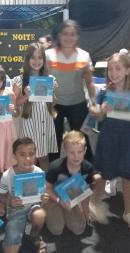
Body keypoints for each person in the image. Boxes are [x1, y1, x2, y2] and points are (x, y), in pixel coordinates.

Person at [89, 53, 130, 231]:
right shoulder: (105, 92)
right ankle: (93, 204)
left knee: (128, 177)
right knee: (101, 175)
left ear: (128, 70)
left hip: (127, 140)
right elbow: (97, 118)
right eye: (110, 69)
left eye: (118, 69)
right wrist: (99, 111)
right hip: (108, 139)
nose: (113, 73)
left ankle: (128, 212)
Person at [45, 20, 96, 161]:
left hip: (77, 103)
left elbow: (89, 82)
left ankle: (88, 174)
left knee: (82, 139)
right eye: (65, 34)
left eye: (72, 34)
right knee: (53, 141)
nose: (69, 37)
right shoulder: (48, 55)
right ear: (59, 35)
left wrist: (93, 103)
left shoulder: (84, 56)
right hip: (54, 105)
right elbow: (41, 80)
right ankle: (53, 175)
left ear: (77, 36)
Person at [44, 131, 103, 236]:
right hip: (54, 198)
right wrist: (59, 201)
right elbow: (47, 188)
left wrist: (86, 212)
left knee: (79, 229)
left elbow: (86, 192)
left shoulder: (87, 168)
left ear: (85, 150)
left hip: (71, 198)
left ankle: (67, 213)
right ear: (65, 151)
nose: (76, 157)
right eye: (72, 152)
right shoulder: (55, 167)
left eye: (79, 152)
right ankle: (48, 210)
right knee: (57, 230)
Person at [0, 137, 48, 253]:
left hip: (33, 208)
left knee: (39, 215)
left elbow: (41, 195)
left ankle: (35, 236)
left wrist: (44, 199)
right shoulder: (7, 175)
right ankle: (13, 237)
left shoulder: (39, 173)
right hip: (16, 212)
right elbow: (1, 196)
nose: (28, 158)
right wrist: (8, 202)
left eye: (31, 154)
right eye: (22, 154)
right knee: (10, 249)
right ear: (14, 156)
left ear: (36, 155)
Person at [13, 43, 58, 171]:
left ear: (44, 59)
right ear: (27, 60)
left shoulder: (49, 79)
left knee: (44, 157)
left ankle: (45, 186)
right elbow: (14, 104)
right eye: (33, 57)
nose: (37, 61)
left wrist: (52, 92)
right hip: (28, 123)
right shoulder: (19, 80)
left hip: (44, 121)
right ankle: (27, 185)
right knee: (28, 158)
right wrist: (26, 96)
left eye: (40, 57)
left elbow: (53, 103)